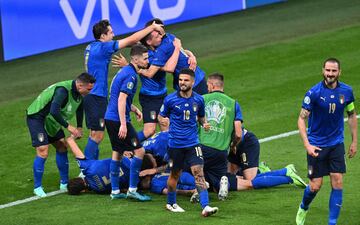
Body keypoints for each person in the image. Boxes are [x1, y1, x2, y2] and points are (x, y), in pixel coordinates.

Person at [83, 19, 164, 161]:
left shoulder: (91, 47)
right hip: (96, 95)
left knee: (95, 134)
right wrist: (151, 27)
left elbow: (130, 43)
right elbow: (129, 40)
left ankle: (91, 166)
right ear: (103, 36)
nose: (113, 35)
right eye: (111, 32)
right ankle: (86, 168)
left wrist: (138, 46)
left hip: (93, 95)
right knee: (97, 135)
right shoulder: (103, 48)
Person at [296, 58, 357, 225]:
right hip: (316, 145)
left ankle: (332, 223)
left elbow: (351, 115)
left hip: (336, 144)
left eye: (334, 71)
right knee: (315, 186)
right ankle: (303, 206)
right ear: (323, 70)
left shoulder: (347, 91)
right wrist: (307, 144)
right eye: (328, 70)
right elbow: (301, 120)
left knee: (337, 180)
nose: (330, 74)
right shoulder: (314, 93)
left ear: (339, 72)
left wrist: (354, 141)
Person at [159, 68, 218, 217]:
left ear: (192, 82)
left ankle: (205, 206)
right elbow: (161, 116)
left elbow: (201, 116)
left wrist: (204, 124)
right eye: (180, 80)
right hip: (175, 145)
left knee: (199, 173)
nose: (182, 83)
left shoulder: (199, 99)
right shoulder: (170, 100)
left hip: (193, 143)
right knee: (175, 175)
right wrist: (166, 127)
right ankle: (171, 203)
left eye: (185, 80)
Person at [26, 73, 95, 197]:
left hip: (51, 119)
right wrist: (69, 127)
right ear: (80, 85)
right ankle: (37, 187)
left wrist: (79, 126)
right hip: (38, 117)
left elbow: (80, 107)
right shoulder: (63, 90)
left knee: (62, 146)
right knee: (43, 150)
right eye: (89, 89)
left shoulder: (79, 93)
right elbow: (54, 110)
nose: (90, 91)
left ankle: (64, 183)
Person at [104, 44, 151, 201]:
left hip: (110, 118)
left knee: (117, 152)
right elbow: (121, 99)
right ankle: (132, 189)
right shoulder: (131, 75)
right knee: (139, 151)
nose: (147, 61)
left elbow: (118, 97)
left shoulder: (123, 72)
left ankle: (115, 191)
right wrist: (124, 124)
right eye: (145, 58)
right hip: (117, 119)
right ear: (135, 59)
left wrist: (134, 109)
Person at [198, 72, 242, 199]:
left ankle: (199, 188)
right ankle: (223, 182)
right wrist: (233, 145)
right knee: (217, 181)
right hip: (222, 151)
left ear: (211, 85)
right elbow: (238, 133)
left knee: (186, 168)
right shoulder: (234, 104)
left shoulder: (202, 99)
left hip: (203, 147)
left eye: (207, 85)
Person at [65, 136, 156, 195]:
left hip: (139, 175)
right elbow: (78, 154)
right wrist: (71, 139)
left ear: (83, 190)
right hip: (132, 158)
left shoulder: (99, 190)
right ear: (79, 178)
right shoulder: (88, 169)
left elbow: (122, 189)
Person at [139, 19, 208, 95]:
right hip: (193, 78)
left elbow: (167, 69)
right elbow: (181, 51)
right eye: (157, 36)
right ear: (148, 41)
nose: (161, 36)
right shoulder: (169, 36)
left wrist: (137, 69)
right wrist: (189, 54)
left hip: (193, 83)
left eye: (159, 33)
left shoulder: (162, 49)